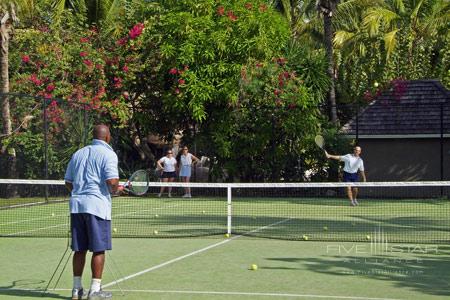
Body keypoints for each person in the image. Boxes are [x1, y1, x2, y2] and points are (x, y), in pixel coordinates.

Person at [64, 125, 121, 300]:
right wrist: (116, 189)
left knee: (79, 249)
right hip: (97, 207)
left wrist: (81, 192)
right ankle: (95, 290)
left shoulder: (78, 154)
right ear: (107, 137)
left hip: (77, 206)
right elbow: (112, 181)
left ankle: (76, 290)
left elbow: (68, 182)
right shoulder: (109, 154)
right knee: (99, 249)